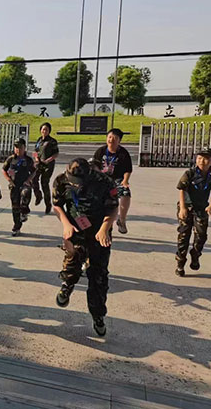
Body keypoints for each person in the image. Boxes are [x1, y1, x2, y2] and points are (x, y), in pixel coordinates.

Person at [51, 158, 119, 337]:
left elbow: (113, 209)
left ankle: (98, 315)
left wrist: (105, 229)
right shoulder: (61, 181)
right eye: (73, 181)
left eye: (79, 182)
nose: (76, 185)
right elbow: (57, 205)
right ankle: (67, 284)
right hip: (75, 227)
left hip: (99, 230)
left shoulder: (104, 182)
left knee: (98, 276)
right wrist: (65, 224)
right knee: (73, 259)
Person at [174, 148, 211, 277]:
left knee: (201, 236)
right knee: (184, 236)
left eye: (206, 159)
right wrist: (182, 208)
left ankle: (195, 254)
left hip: (201, 208)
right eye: (199, 158)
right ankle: (180, 263)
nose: (202, 161)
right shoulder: (190, 173)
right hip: (187, 207)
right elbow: (181, 189)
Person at [93, 129, 133, 234]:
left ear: (119, 141)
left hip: (117, 179)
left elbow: (128, 170)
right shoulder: (101, 151)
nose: (111, 140)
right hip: (102, 179)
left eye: (115, 138)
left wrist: (125, 181)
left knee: (125, 193)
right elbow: (94, 166)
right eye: (110, 137)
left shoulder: (123, 153)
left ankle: (122, 220)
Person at [2, 139, 35, 236]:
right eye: (16, 147)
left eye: (20, 147)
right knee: (15, 207)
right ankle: (17, 226)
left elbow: (33, 171)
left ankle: (24, 211)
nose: (18, 150)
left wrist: (28, 180)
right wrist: (9, 180)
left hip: (24, 183)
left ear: (24, 148)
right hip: (14, 185)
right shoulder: (11, 159)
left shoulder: (28, 160)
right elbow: (4, 170)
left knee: (26, 193)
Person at [32, 122, 59, 214]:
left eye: (46, 130)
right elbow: (35, 151)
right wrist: (36, 158)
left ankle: (48, 204)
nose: (44, 131)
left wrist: (48, 160)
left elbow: (56, 153)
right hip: (39, 164)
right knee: (33, 179)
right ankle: (38, 195)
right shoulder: (39, 140)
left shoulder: (52, 141)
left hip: (48, 165)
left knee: (44, 183)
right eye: (43, 129)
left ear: (49, 131)